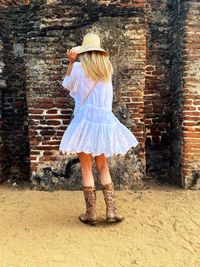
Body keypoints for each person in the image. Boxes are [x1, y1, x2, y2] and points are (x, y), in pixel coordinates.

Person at [59, 33, 139, 225]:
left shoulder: (78, 67)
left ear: (83, 52)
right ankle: (111, 212)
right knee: (103, 166)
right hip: (104, 121)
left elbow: (67, 85)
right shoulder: (107, 69)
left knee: (87, 168)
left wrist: (71, 62)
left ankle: (91, 214)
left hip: (84, 122)